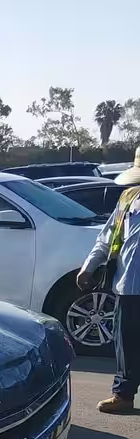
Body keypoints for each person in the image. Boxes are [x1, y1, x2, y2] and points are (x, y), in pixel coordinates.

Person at [78, 148, 140, 412]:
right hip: (129, 284)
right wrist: (88, 267)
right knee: (126, 342)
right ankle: (123, 395)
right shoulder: (128, 198)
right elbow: (106, 238)